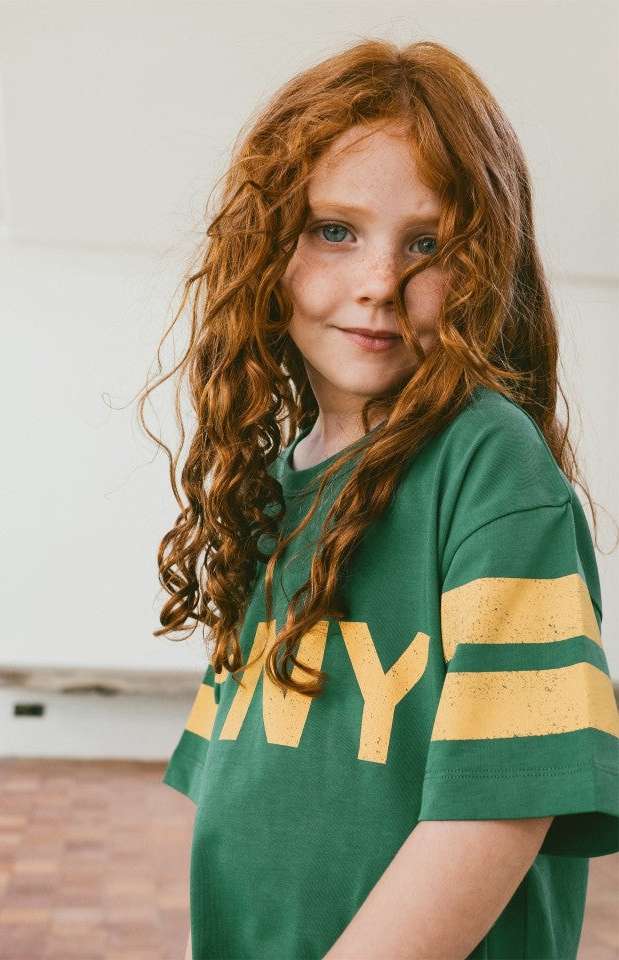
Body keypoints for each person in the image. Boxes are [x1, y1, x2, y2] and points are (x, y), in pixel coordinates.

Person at [144, 36, 619, 960]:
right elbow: (240, 803)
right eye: (335, 230)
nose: (378, 284)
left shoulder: (490, 464)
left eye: (427, 245)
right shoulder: (271, 486)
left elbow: (502, 806)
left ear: (486, 266)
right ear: (265, 247)